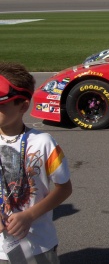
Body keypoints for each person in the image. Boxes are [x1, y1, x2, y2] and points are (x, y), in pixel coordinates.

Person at [0, 61, 72, 263]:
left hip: (39, 244)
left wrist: (30, 215)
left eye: (1, 105)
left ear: (22, 105)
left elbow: (64, 188)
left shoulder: (43, 143)